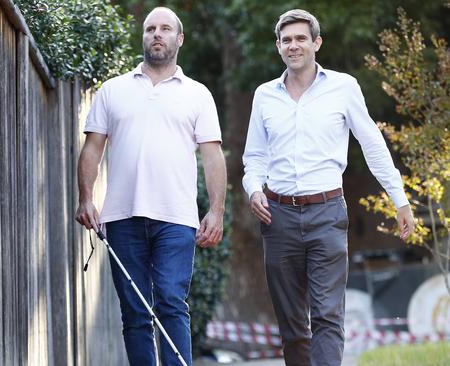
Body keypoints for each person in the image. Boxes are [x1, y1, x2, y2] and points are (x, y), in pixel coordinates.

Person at [241, 9, 415, 366]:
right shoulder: (264, 95)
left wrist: (400, 200)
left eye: (301, 38)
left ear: (316, 43)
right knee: (292, 326)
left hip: (327, 214)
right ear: (278, 46)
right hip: (278, 216)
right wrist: (254, 188)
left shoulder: (344, 87)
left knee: (326, 316)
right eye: (286, 40)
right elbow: (254, 157)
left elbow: (373, 145)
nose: (294, 45)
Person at [74, 7, 227, 366]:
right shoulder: (113, 91)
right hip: (121, 217)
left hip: (176, 219)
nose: (156, 34)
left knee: (172, 302)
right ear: (143, 37)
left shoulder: (198, 94)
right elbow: (92, 148)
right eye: (150, 29)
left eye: (165, 29)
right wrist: (85, 198)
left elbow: (212, 156)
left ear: (179, 39)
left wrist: (216, 211)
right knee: (135, 312)